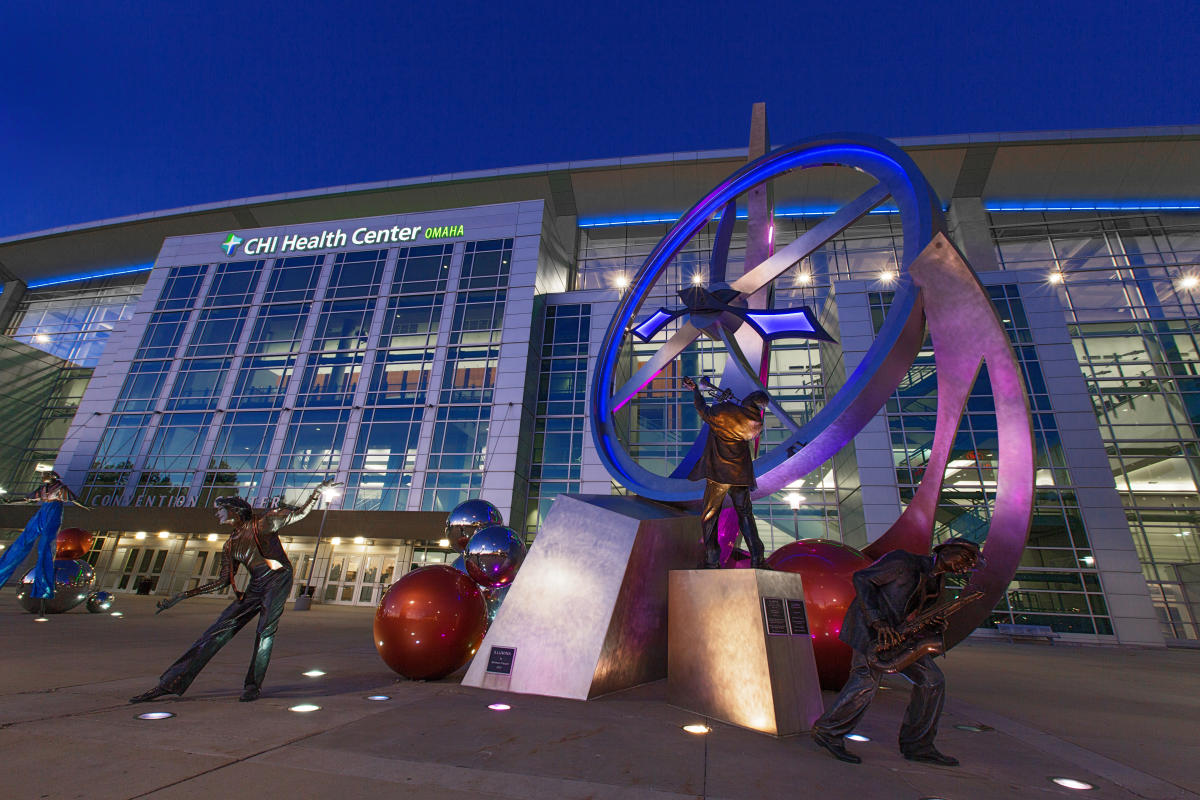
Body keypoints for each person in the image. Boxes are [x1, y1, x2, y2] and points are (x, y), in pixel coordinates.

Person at [130, 480, 340, 704]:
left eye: (220, 510)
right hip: (256, 585)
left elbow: (298, 514)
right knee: (215, 631)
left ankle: (252, 685)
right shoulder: (230, 545)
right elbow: (222, 582)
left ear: (234, 511)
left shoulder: (263, 523)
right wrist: (182, 596)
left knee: (264, 631)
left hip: (278, 579)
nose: (217, 515)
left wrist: (316, 493)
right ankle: (170, 683)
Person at [810, 537, 985, 766]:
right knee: (865, 681)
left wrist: (935, 624)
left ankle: (918, 745)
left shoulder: (938, 582)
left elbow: (919, 614)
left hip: (900, 636)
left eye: (971, 563)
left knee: (933, 681)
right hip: (872, 631)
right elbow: (862, 579)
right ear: (946, 549)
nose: (967, 565)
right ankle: (828, 731)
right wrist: (877, 620)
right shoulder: (903, 561)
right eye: (966, 558)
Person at [683, 376, 771, 569]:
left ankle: (712, 558)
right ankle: (757, 557)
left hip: (719, 474)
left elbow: (702, 409)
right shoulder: (755, 423)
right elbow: (742, 416)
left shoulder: (721, 412)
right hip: (740, 475)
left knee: (709, 515)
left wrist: (696, 390)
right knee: (745, 514)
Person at [0, 470, 87, 601]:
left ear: (52, 477)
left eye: (45, 476)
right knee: (21, 543)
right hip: (43, 511)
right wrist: (11, 501)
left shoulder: (60, 488)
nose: (43, 478)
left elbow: (74, 499)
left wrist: (85, 506)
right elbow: (28, 499)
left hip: (54, 511)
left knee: (46, 547)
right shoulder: (43, 488)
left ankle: (43, 589)